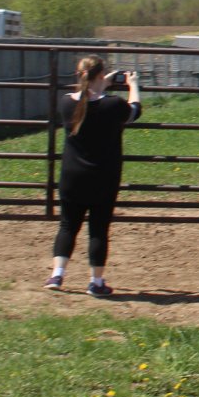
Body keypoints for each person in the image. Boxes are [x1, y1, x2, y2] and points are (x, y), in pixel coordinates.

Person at [46, 56, 139, 297]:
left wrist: (100, 85)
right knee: (98, 229)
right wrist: (133, 86)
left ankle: (57, 274)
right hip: (103, 177)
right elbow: (134, 111)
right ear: (101, 75)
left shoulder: (66, 102)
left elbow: (86, 100)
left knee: (68, 225)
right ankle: (96, 282)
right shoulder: (114, 105)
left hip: (71, 176)